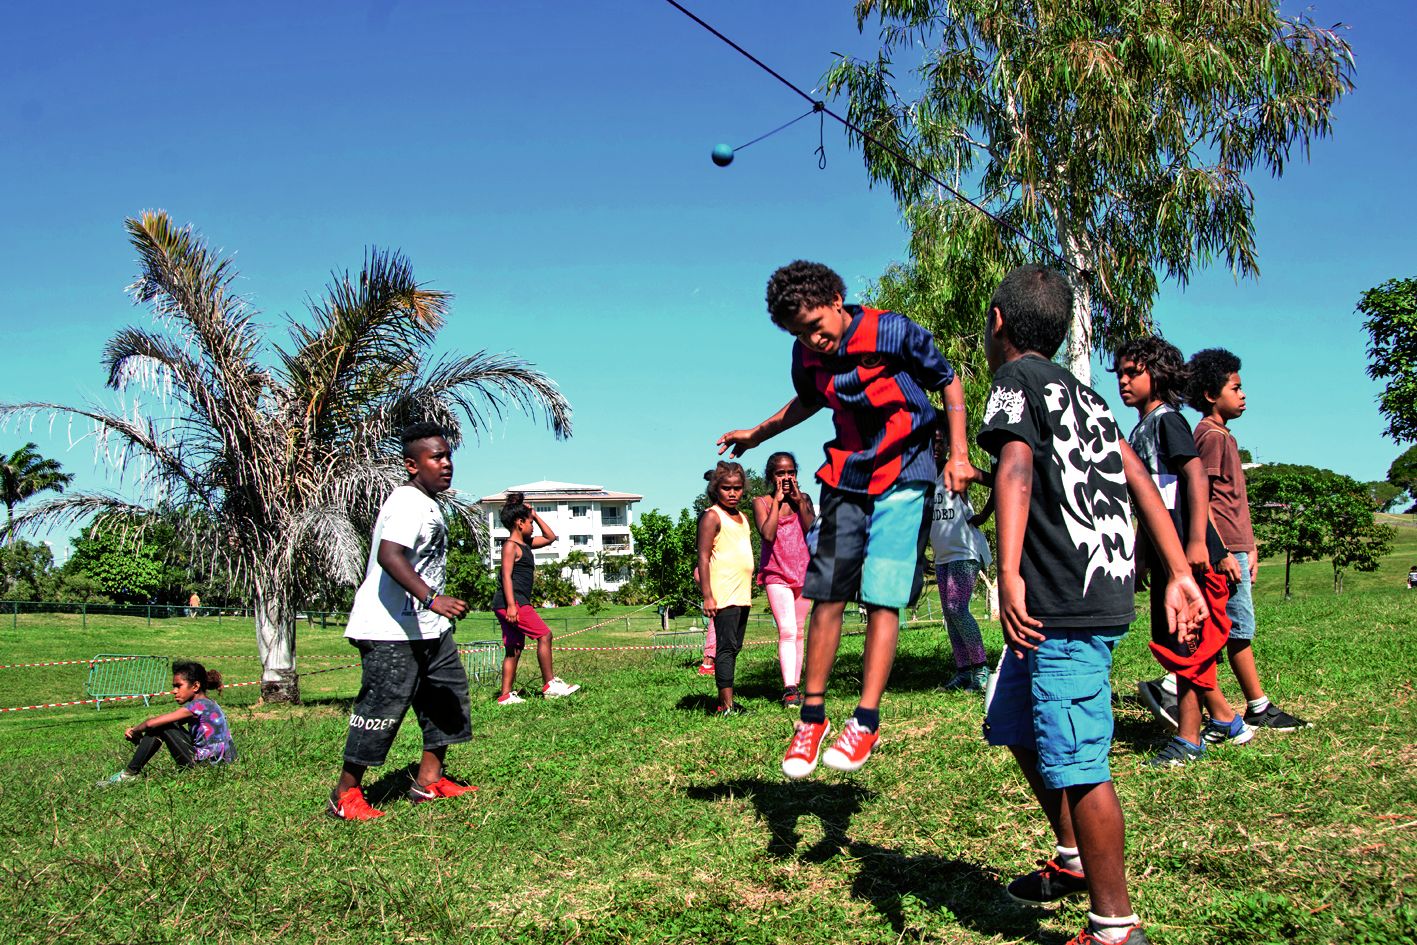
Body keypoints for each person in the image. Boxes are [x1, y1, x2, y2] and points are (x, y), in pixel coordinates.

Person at [976, 264, 1207, 945]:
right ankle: (1075, 857)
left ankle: (1114, 926)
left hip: (1061, 607)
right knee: (1014, 723)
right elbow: (1137, 478)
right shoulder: (1089, 397)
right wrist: (1176, 572)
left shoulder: (1012, 381)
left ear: (998, 322)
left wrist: (1008, 572)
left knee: (1079, 764)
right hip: (1073, 600)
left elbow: (1016, 466)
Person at [718, 260, 972, 776]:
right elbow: (806, 403)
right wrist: (757, 434)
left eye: (816, 326)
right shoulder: (805, 355)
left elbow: (948, 381)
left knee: (882, 594)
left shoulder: (891, 331)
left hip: (906, 470)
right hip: (847, 475)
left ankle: (866, 720)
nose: (812, 340)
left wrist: (960, 454)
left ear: (837, 301)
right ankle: (811, 718)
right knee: (828, 591)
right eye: (798, 333)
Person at [328, 422, 479, 821]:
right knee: (381, 708)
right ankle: (344, 795)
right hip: (390, 630)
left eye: (448, 456)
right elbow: (389, 555)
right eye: (436, 457)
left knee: (447, 699)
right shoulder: (407, 502)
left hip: (429, 629)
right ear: (412, 465)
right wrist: (432, 598)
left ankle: (428, 782)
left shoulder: (428, 503)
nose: (446, 464)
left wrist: (434, 609)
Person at [1114, 337, 1254, 766]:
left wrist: (1196, 540)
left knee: (1189, 641)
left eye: (1133, 373)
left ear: (1158, 376)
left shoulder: (1168, 421)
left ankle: (1189, 739)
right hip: (1165, 554)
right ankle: (1226, 720)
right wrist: (1142, 554)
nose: (1123, 381)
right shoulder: (1140, 429)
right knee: (1175, 638)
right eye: (1119, 374)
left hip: (1189, 554)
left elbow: (1195, 476)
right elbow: (1149, 502)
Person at [492, 492, 580, 705]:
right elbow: (506, 575)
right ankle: (550, 685)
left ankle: (505, 696)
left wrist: (535, 515)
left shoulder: (526, 544)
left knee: (514, 648)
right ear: (519, 523)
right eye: (530, 523)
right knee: (545, 635)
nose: (533, 527)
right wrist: (512, 606)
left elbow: (550, 537)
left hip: (510, 602)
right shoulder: (510, 546)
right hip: (513, 602)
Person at [929, 426, 993, 692]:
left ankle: (981, 669)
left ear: (947, 445)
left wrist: (984, 516)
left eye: (940, 441)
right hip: (942, 556)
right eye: (930, 442)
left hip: (965, 551)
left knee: (957, 608)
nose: (935, 447)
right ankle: (964, 671)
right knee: (949, 613)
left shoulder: (955, 469)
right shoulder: (925, 478)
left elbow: (999, 480)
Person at [99, 661, 235, 785]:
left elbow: (151, 723)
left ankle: (129, 774)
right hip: (222, 763)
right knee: (162, 725)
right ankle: (130, 773)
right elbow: (173, 723)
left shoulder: (197, 706)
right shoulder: (210, 704)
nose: (174, 691)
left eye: (178, 686)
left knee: (159, 725)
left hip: (207, 765)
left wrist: (134, 731)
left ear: (195, 686)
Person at [753, 451, 815, 706]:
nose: (786, 478)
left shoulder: (804, 499)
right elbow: (768, 534)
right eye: (780, 473)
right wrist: (777, 503)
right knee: (787, 630)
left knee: (799, 630)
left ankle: (796, 684)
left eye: (791, 472)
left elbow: (812, 530)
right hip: (776, 573)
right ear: (771, 476)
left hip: (804, 573)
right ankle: (789, 687)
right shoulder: (762, 502)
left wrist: (799, 501)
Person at [697, 461, 755, 716]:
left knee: (734, 647)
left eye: (737, 488)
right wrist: (708, 595)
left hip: (742, 593)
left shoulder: (742, 518)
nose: (733, 493)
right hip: (724, 593)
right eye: (726, 488)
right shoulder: (712, 516)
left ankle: (726, 701)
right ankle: (726, 706)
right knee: (726, 648)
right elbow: (703, 557)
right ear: (715, 489)